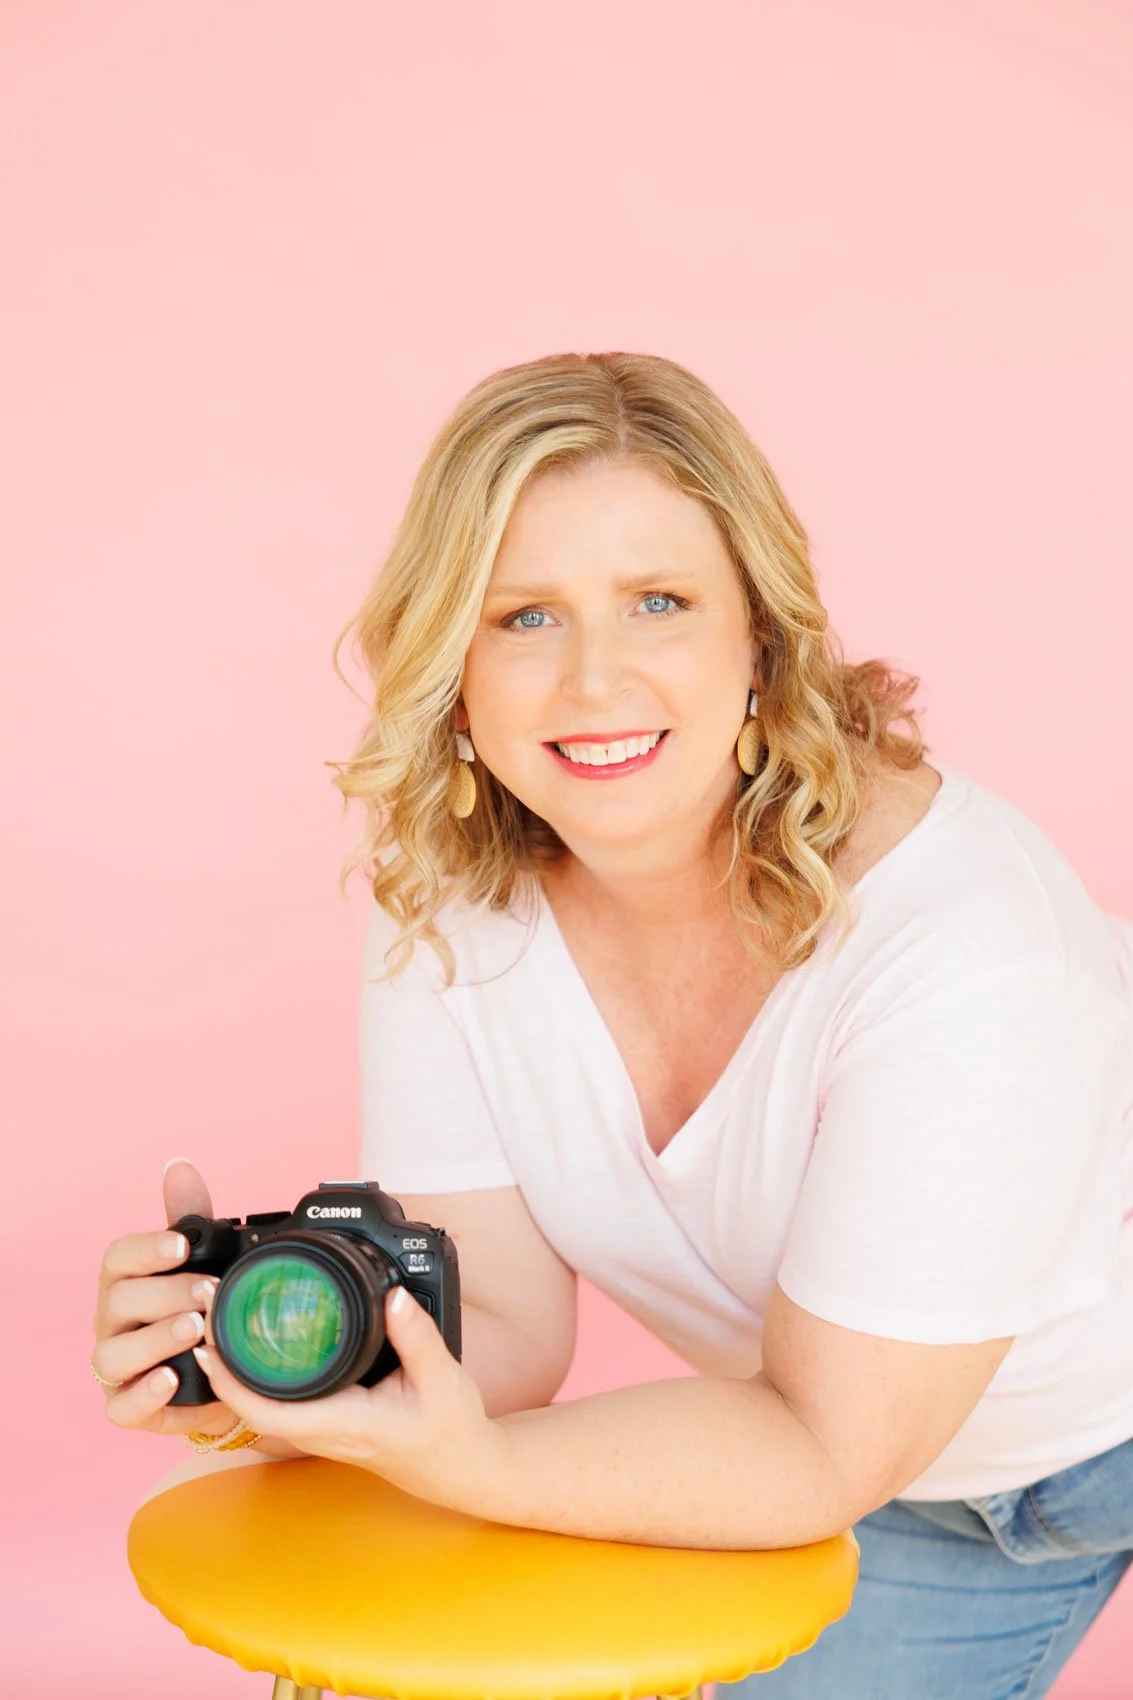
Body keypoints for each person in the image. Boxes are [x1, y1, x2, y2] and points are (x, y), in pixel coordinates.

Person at [92, 351, 1133, 1696]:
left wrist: (474, 1470)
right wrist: (266, 1366)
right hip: (866, 1475)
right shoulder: (452, 913)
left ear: (760, 641)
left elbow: (821, 1443)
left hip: (956, 1433)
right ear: (452, 672)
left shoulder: (963, 949)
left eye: (659, 603)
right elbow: (504, 1324)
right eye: (523, 616)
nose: (594, 681)